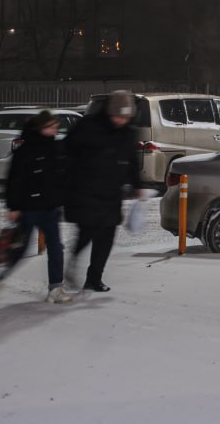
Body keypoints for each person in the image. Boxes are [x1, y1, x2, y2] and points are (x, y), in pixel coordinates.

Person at [0, 110, 72, 304]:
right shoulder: (25, 150)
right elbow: (14, 180)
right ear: (41, 128)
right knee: (19, 248)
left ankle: (55, 288)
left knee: (56, 247)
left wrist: (62, 195)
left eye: (55, 127)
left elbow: (61, 175)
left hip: (50, 207)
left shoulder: (55, 148)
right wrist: (13, 207)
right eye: (51, 127)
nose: (55, 130)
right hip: (27, 208)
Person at [63, 90, 141, 293]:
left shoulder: (128, 132)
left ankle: (94, 278)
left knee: (106, 237)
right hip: (85, 191)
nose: (122, 121)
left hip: (112, 193)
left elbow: (132, 160)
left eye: (126, 117)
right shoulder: (88, 126)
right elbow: (67, 153)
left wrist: (137, 184)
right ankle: (72, 263)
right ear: (109, 112)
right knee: (87, 232)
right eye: (119, 116)